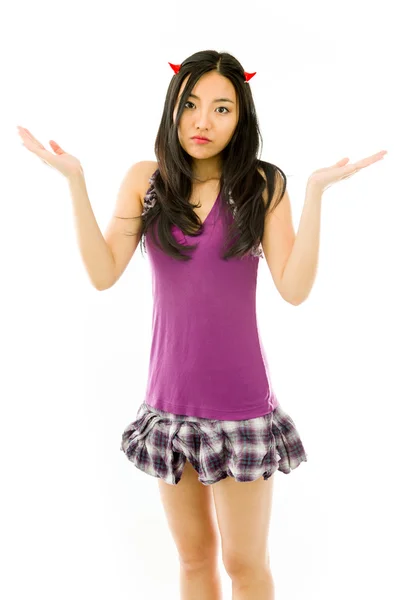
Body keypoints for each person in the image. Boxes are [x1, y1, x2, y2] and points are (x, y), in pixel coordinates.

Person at [17, 48, 386, 600]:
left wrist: (314, 194)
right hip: (169, 406)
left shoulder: (263, 185)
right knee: (193, 561)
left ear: (241, 120)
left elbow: (295, 288)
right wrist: (74, 181)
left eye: (221, 109)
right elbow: (101, 272)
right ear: (173, 108)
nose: (202, 121)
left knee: (245, 563)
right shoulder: (147, 181)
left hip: (240, 410)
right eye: (191, 105)